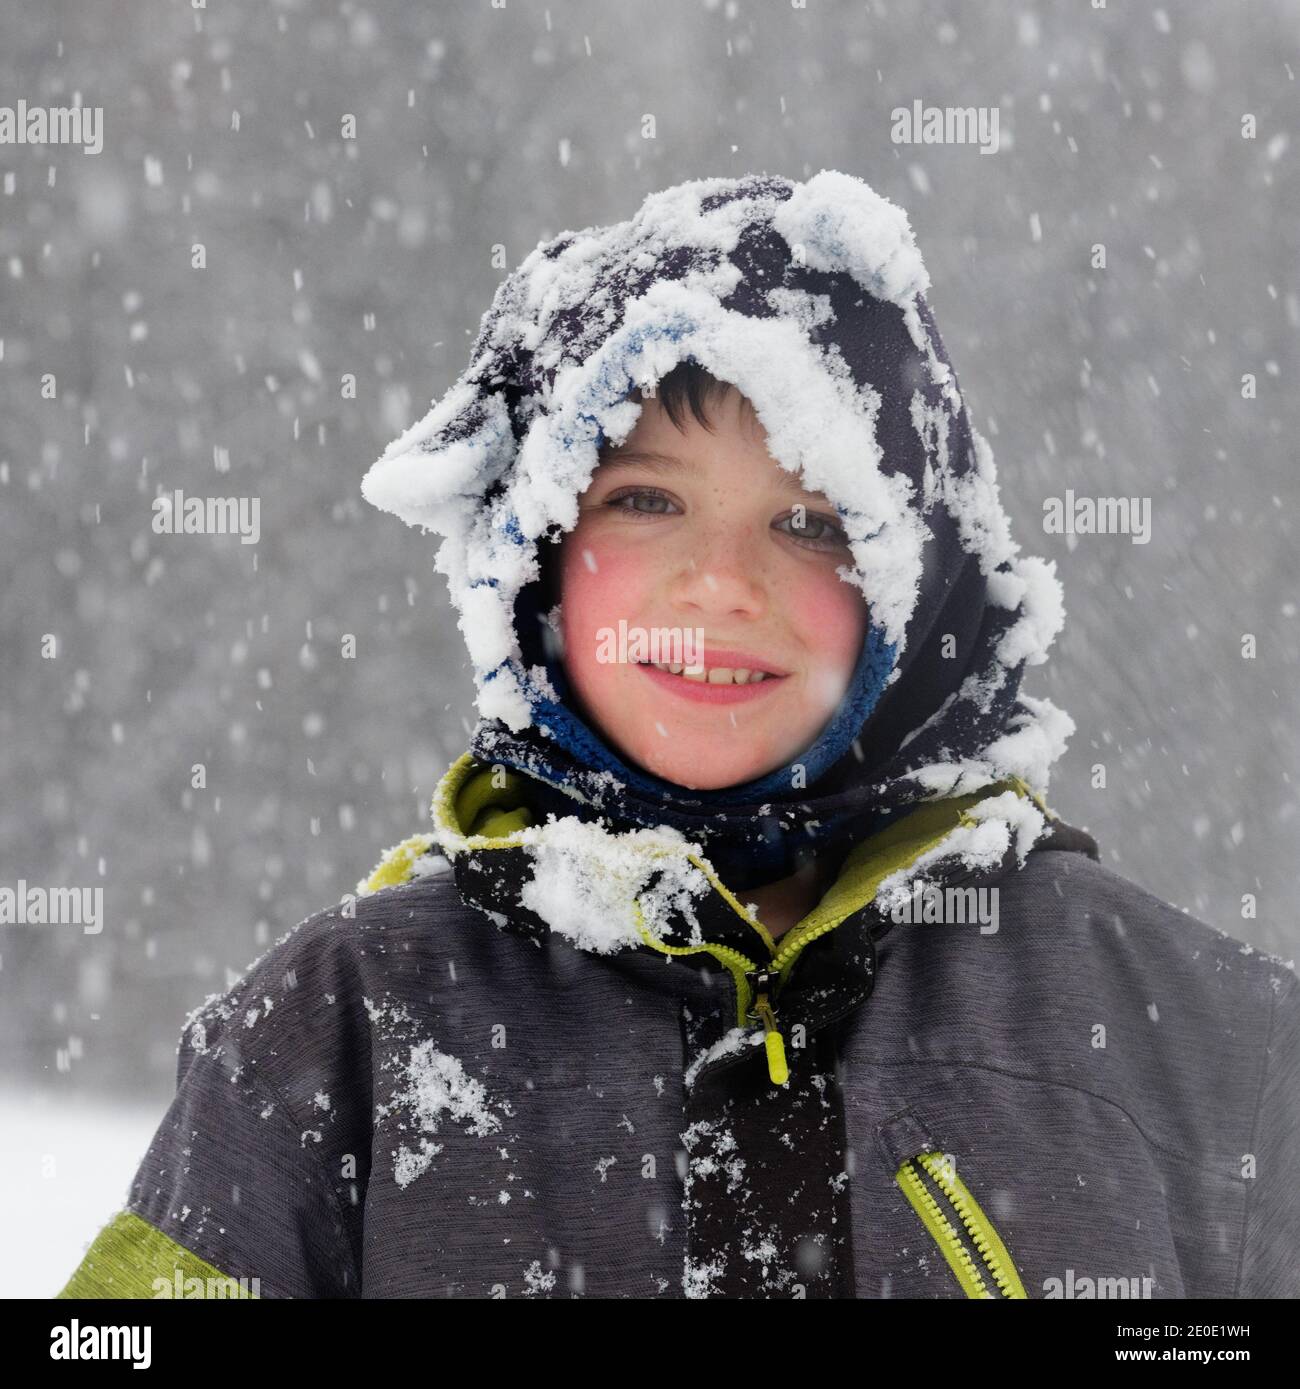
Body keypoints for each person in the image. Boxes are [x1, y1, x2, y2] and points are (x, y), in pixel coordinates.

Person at [58, 171, 1298, 1299]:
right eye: (645, 500)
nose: (719, 583)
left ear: (909, 593)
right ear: (533, 558)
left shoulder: (1200, 1045)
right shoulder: (337, 1036)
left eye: (811, 523)